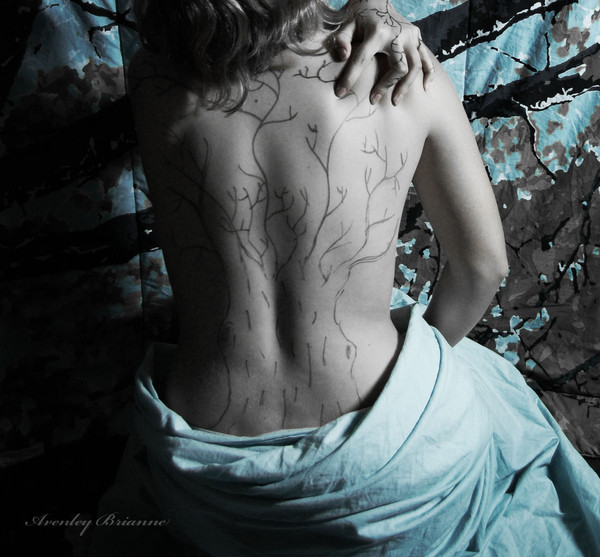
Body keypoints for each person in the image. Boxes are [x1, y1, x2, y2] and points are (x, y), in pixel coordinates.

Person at [92, 0, 600, 555]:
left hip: (216, 490)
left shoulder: (152, 79)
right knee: (494, 396)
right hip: (398, 468)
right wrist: (412, 382)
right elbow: (483, 268)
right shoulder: (403, 73)